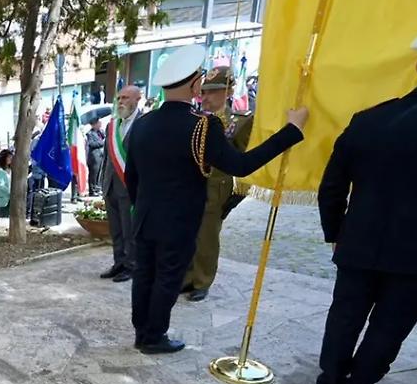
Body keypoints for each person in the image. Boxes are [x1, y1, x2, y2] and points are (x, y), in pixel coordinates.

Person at [126, 44, 308, 353]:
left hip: (145, 216)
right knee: (168, 277)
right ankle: (153, 337)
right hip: (179, 220)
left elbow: (132, 176)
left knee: (145, 275)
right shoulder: (203, 125)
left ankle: (142, 332)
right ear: (195, 84)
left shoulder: (144, 123)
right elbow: (241, 165)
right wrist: (291, 130)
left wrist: (142, 206)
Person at [314, 18, 417, 384]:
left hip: (359, 240)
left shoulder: (370, 118)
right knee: (390, 324)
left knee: (345, 315)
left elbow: (332, 185)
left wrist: (336, 231)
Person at [181, 66, 254, 302]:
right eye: (204, 91)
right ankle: (187, 276)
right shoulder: (195, 118)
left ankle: (202, 280)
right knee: (188, 233)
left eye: (213, 92)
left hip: (216, 188)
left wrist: (239, 194)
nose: (206, 97)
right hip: (191, 185)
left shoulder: (239, 122)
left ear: (229, 90)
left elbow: (246, 161)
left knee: (207, 236)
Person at [98, 86, 142, 282]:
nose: (121, 101)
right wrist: (102, 183)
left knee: (129, 230)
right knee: (115, 229)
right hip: (111, 186)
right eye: (119, 98)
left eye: (125, 97)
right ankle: (119, 262)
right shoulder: (112, 125)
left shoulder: (144, 124)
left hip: (130, 187)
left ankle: (131, 265)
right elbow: (107, 157)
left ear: (137, 99)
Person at [85, 117, 104, 197]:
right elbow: (91, 144)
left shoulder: (100, 132)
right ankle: (92, 190)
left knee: (99, 173)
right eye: (98, 123)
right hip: (94, 157)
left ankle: (97, 188)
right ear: (94, 125)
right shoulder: (90, 134)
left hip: (100, 156)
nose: (100, 125)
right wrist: (102, 143)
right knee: (93, 174)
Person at [0, 148, 13, 217]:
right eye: (8, 157)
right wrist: (10, 192)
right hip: (3, 199)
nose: (10, 159)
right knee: (4, 217)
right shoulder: (0, 171)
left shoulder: (11, 170)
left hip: (11, 199)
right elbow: (1, 185)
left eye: (11, 157)